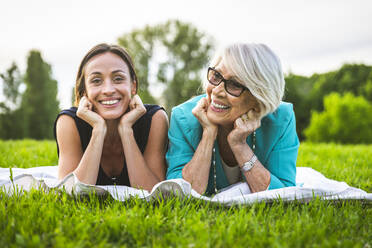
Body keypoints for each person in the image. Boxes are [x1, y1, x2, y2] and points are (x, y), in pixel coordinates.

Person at [166, 43, 299, 195]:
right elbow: (179, 193)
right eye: (216, 75)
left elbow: (285, 194)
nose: (216, 91)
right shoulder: (183, 117)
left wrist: (239, 145)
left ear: (258, 98)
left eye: (234, 84)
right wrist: (208, 134)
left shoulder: (281, 119)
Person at [54, 43, 168, 191]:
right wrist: (98, 129)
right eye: (96, 81)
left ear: (133, 86)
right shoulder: (68, 123)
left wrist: (126, 129)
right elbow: (70, 193)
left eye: (118, 78)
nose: (108, 90)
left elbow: (153, 193)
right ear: (84, 92)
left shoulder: (155, 119)